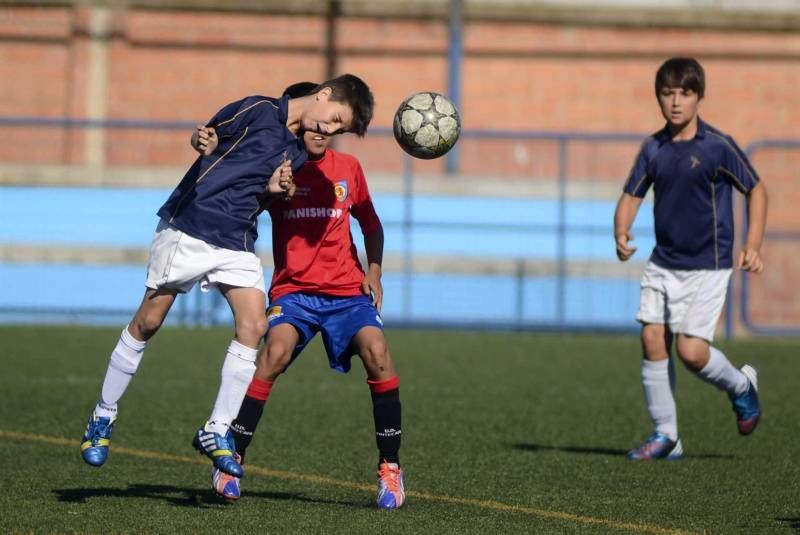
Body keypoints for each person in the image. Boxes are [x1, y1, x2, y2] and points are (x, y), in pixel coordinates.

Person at [79, 75, 375, 481]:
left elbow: (267, 195)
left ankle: (217, 428)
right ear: (323, 95)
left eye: (338, 130)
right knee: (148, 321)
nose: (329, 130)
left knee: (255, 325)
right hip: (192, 226)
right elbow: (209, 136)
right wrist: (203, 142)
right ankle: (103, 416)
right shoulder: (258, 109)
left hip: (236, 240)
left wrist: (277, 189)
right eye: (333, 119)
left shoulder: (298, 152)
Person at [209, 81, 405, 508]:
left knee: (378, 351)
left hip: (347, 293)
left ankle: (390, 468)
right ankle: (230, 458)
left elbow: (371, 225)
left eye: (334, 127)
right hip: (294, 292)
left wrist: (374, 272)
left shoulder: (348, 169)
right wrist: (268, 190)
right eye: (321, 124)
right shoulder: (278, 168)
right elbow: (240, 206)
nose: (324, 131)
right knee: (274, 353)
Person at [614, 57, 767, 460]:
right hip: (663, 262)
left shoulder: (718, 146)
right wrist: (621, 231)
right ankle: (666, 435)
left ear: (699, 97)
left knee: (691, 353)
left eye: (685, 93)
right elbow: (632, 194)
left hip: (708, 266)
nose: (676, 102)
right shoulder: (653, 148)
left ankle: (740, 387)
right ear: (658, 98)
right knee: (651, 338)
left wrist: (753, 243)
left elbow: (756, 189)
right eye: (667, 94)